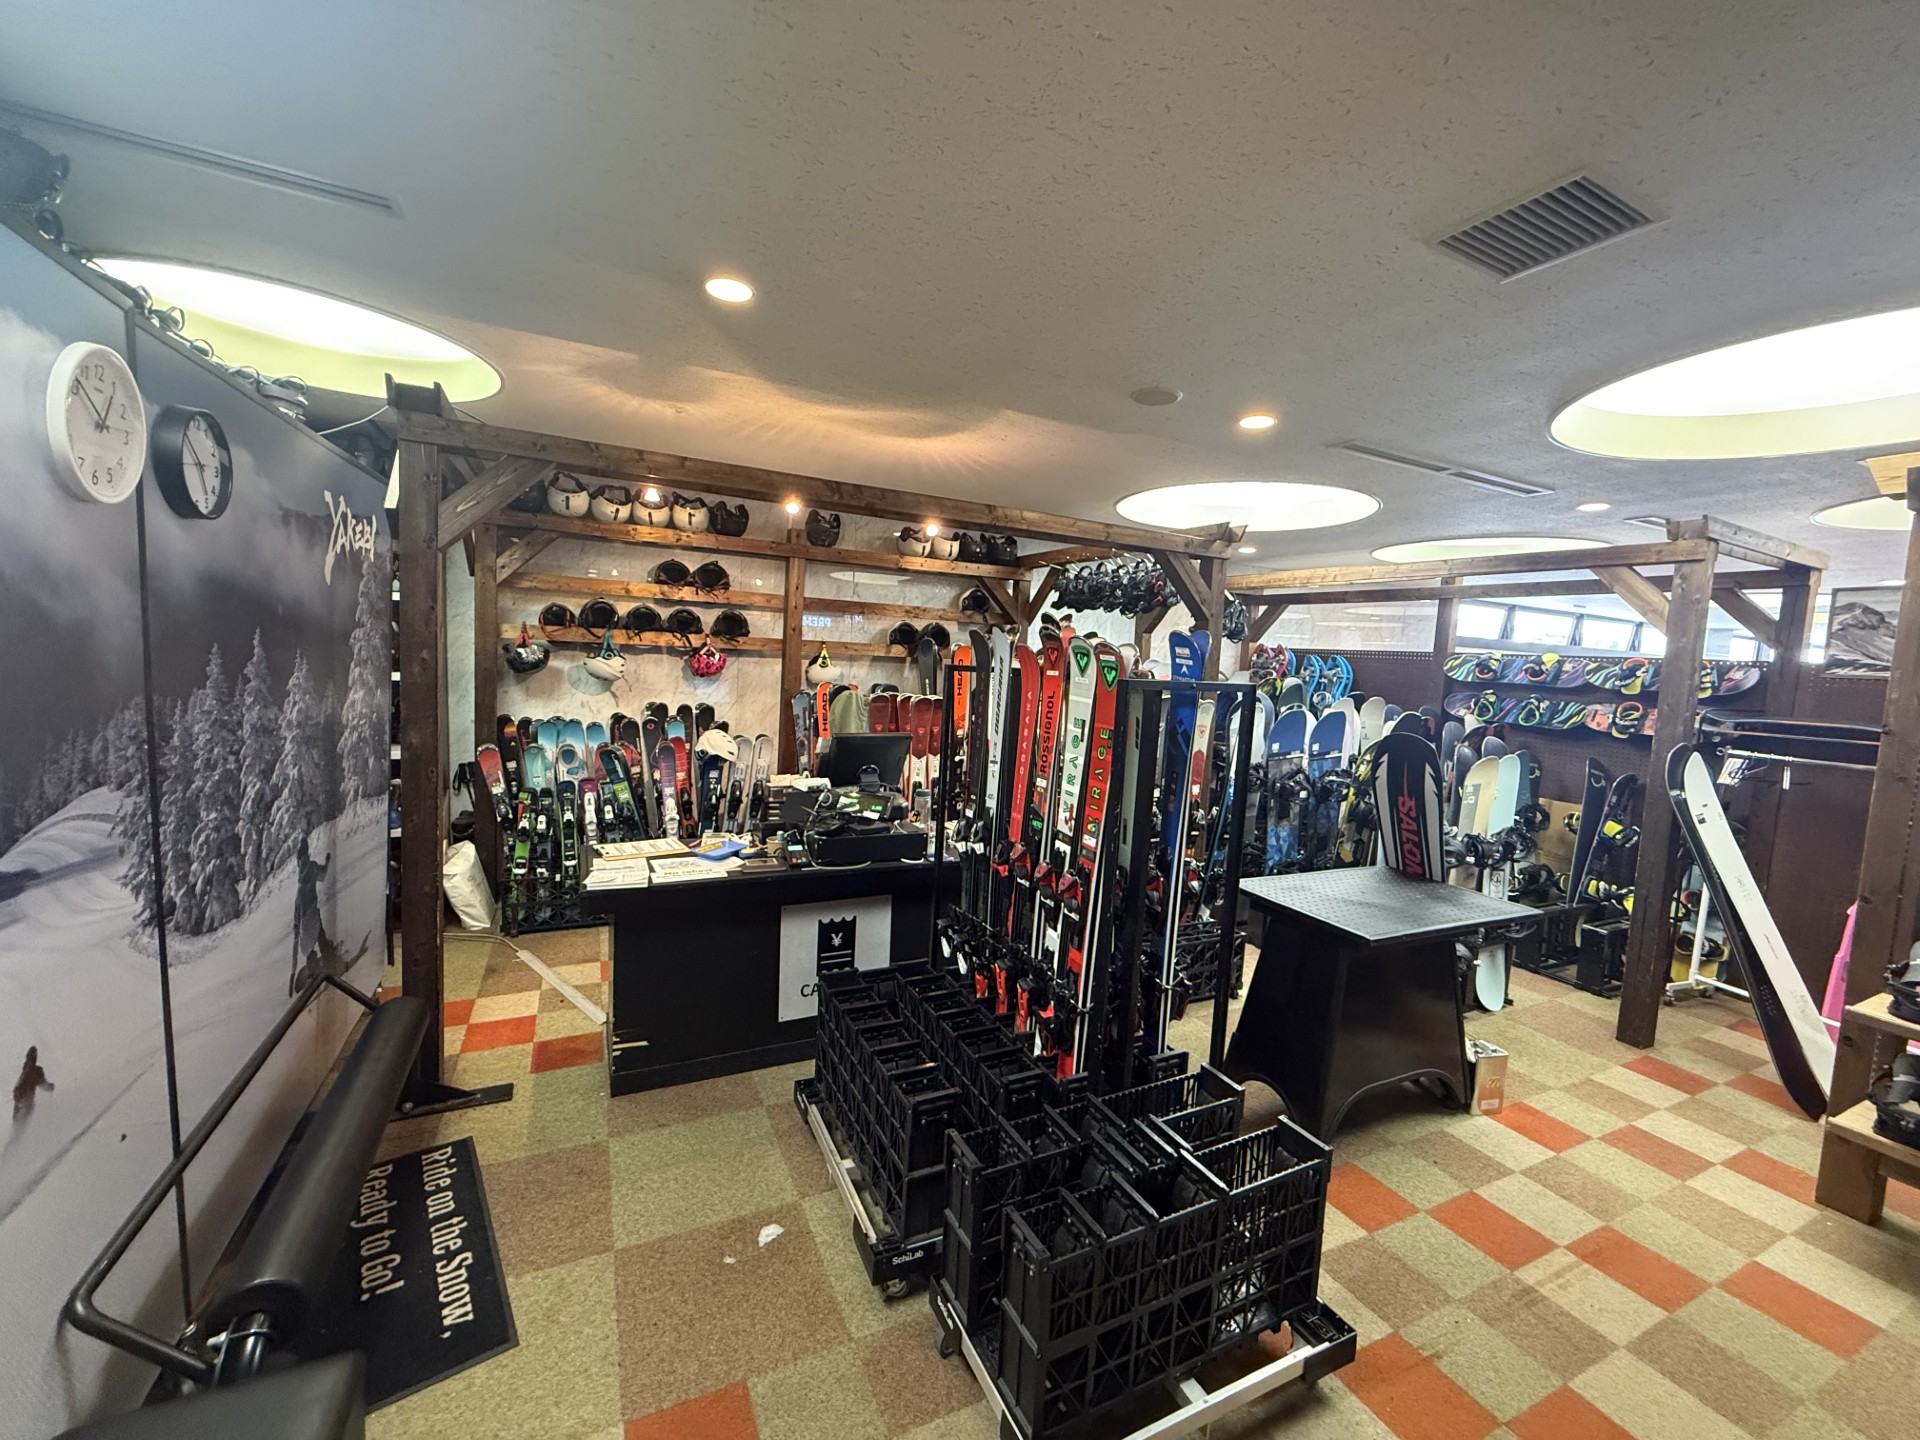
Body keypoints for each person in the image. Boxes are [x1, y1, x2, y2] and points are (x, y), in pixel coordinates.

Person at [289, 834, 332, 995]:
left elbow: (296, 917)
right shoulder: (313, 867)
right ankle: (328, 958)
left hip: (306, 919)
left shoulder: (299, 888)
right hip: (313, 913)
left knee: (309, 943)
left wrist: (296, 927)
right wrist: (327, 862)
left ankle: (313, 967)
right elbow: (323, 876)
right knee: (320, 935)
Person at [13, 1046, 53, 1123]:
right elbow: (44, 1084)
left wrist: (49, 1086)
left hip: (20, 1095)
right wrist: (49, 1087)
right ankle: (20, 1129)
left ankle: (19, 1129)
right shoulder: (36, 1070)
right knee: (23, 1119)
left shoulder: (28, 1069)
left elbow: (43, 1084)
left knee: (20, 1120)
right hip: (24, 1096)